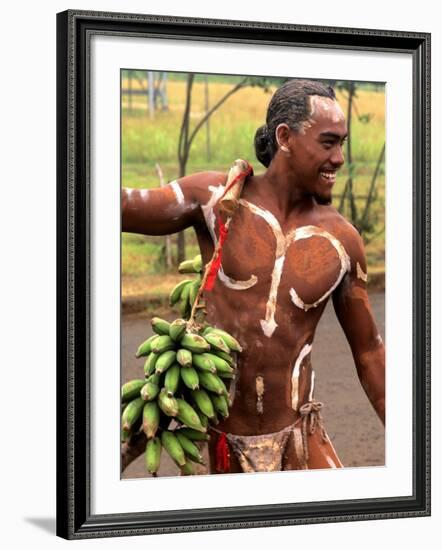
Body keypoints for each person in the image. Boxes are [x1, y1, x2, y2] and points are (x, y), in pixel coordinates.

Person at [121, 79, 385, 474]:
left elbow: (369, 352)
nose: (340, 159)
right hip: (220, 441)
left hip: (300, 439)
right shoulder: (215, 200)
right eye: (328, 143)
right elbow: (124, 206)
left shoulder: (342, 242)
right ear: (285, 137)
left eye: (342, 144)